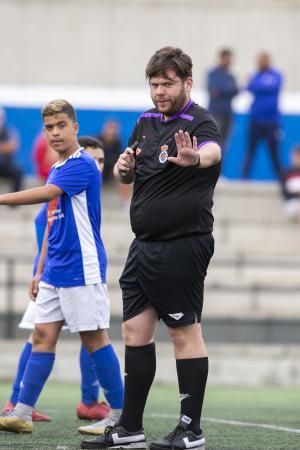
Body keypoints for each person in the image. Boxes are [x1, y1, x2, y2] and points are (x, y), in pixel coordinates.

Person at [81, 46, 221, 450]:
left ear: (187, 83)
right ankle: (130, 428)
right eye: (154, 83)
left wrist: (196, 158)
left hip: (183, 245)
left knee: (183, 332)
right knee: (134, 331)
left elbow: (212, 152)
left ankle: (190, 429)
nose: (159, 91)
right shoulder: (144, 123)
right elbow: (127, 171)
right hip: (143, 247)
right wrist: (123, 168)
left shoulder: (201, 121)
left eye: (167, 83)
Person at [0, 100, 124, 434]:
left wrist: (2, 198)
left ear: (75, 128)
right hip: (56, 269)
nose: (55, 132)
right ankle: (22, 412)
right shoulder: (58, 166)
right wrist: (40, 269)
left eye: (61, 126)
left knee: (94, 339)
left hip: (81, 268)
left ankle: (119, 417)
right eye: (49, 127)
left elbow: (47, 194)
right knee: (42, 336)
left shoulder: (82, 163)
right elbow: (53, 223)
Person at [242, 52, 283, 180]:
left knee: (274, 153)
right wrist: (256, 83)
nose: (261, 62)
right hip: (255, 121)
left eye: (263, 60)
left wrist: (256, 84)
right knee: (250, 151)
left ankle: (281, 181)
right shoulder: (256, 75)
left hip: (272, 122)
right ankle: (244, 179)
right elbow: (247, 88)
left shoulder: (276, 75)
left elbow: (272, 86)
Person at [207, 48, 239, 149]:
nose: (229, 61)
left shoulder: (230, 76)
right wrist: (228, 90)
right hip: (215, 114)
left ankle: (220, 164)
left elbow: (236, 91)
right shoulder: (213, 74)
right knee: (213, 141)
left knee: (224, 144)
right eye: (227, 58)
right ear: (221, 58)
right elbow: (214, 91)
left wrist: (223, 91)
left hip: (228, 114)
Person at [0, 107, 23, 193]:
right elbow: (9, 146)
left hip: (6, 166)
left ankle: (14, 202)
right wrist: (6, 147)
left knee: (18, 170)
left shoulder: (9, 130)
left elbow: (13, 146)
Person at [97, 120, 122, 184]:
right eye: (110, 128)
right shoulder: (97, 142)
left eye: (114, 129)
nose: (112, 132)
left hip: (111, 177)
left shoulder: (117, 144)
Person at [282, 144, 300, 222]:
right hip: (292, 202)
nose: (297, 159)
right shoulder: (287, 173)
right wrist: (296, 193)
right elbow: (285, 192)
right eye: (295, 156)